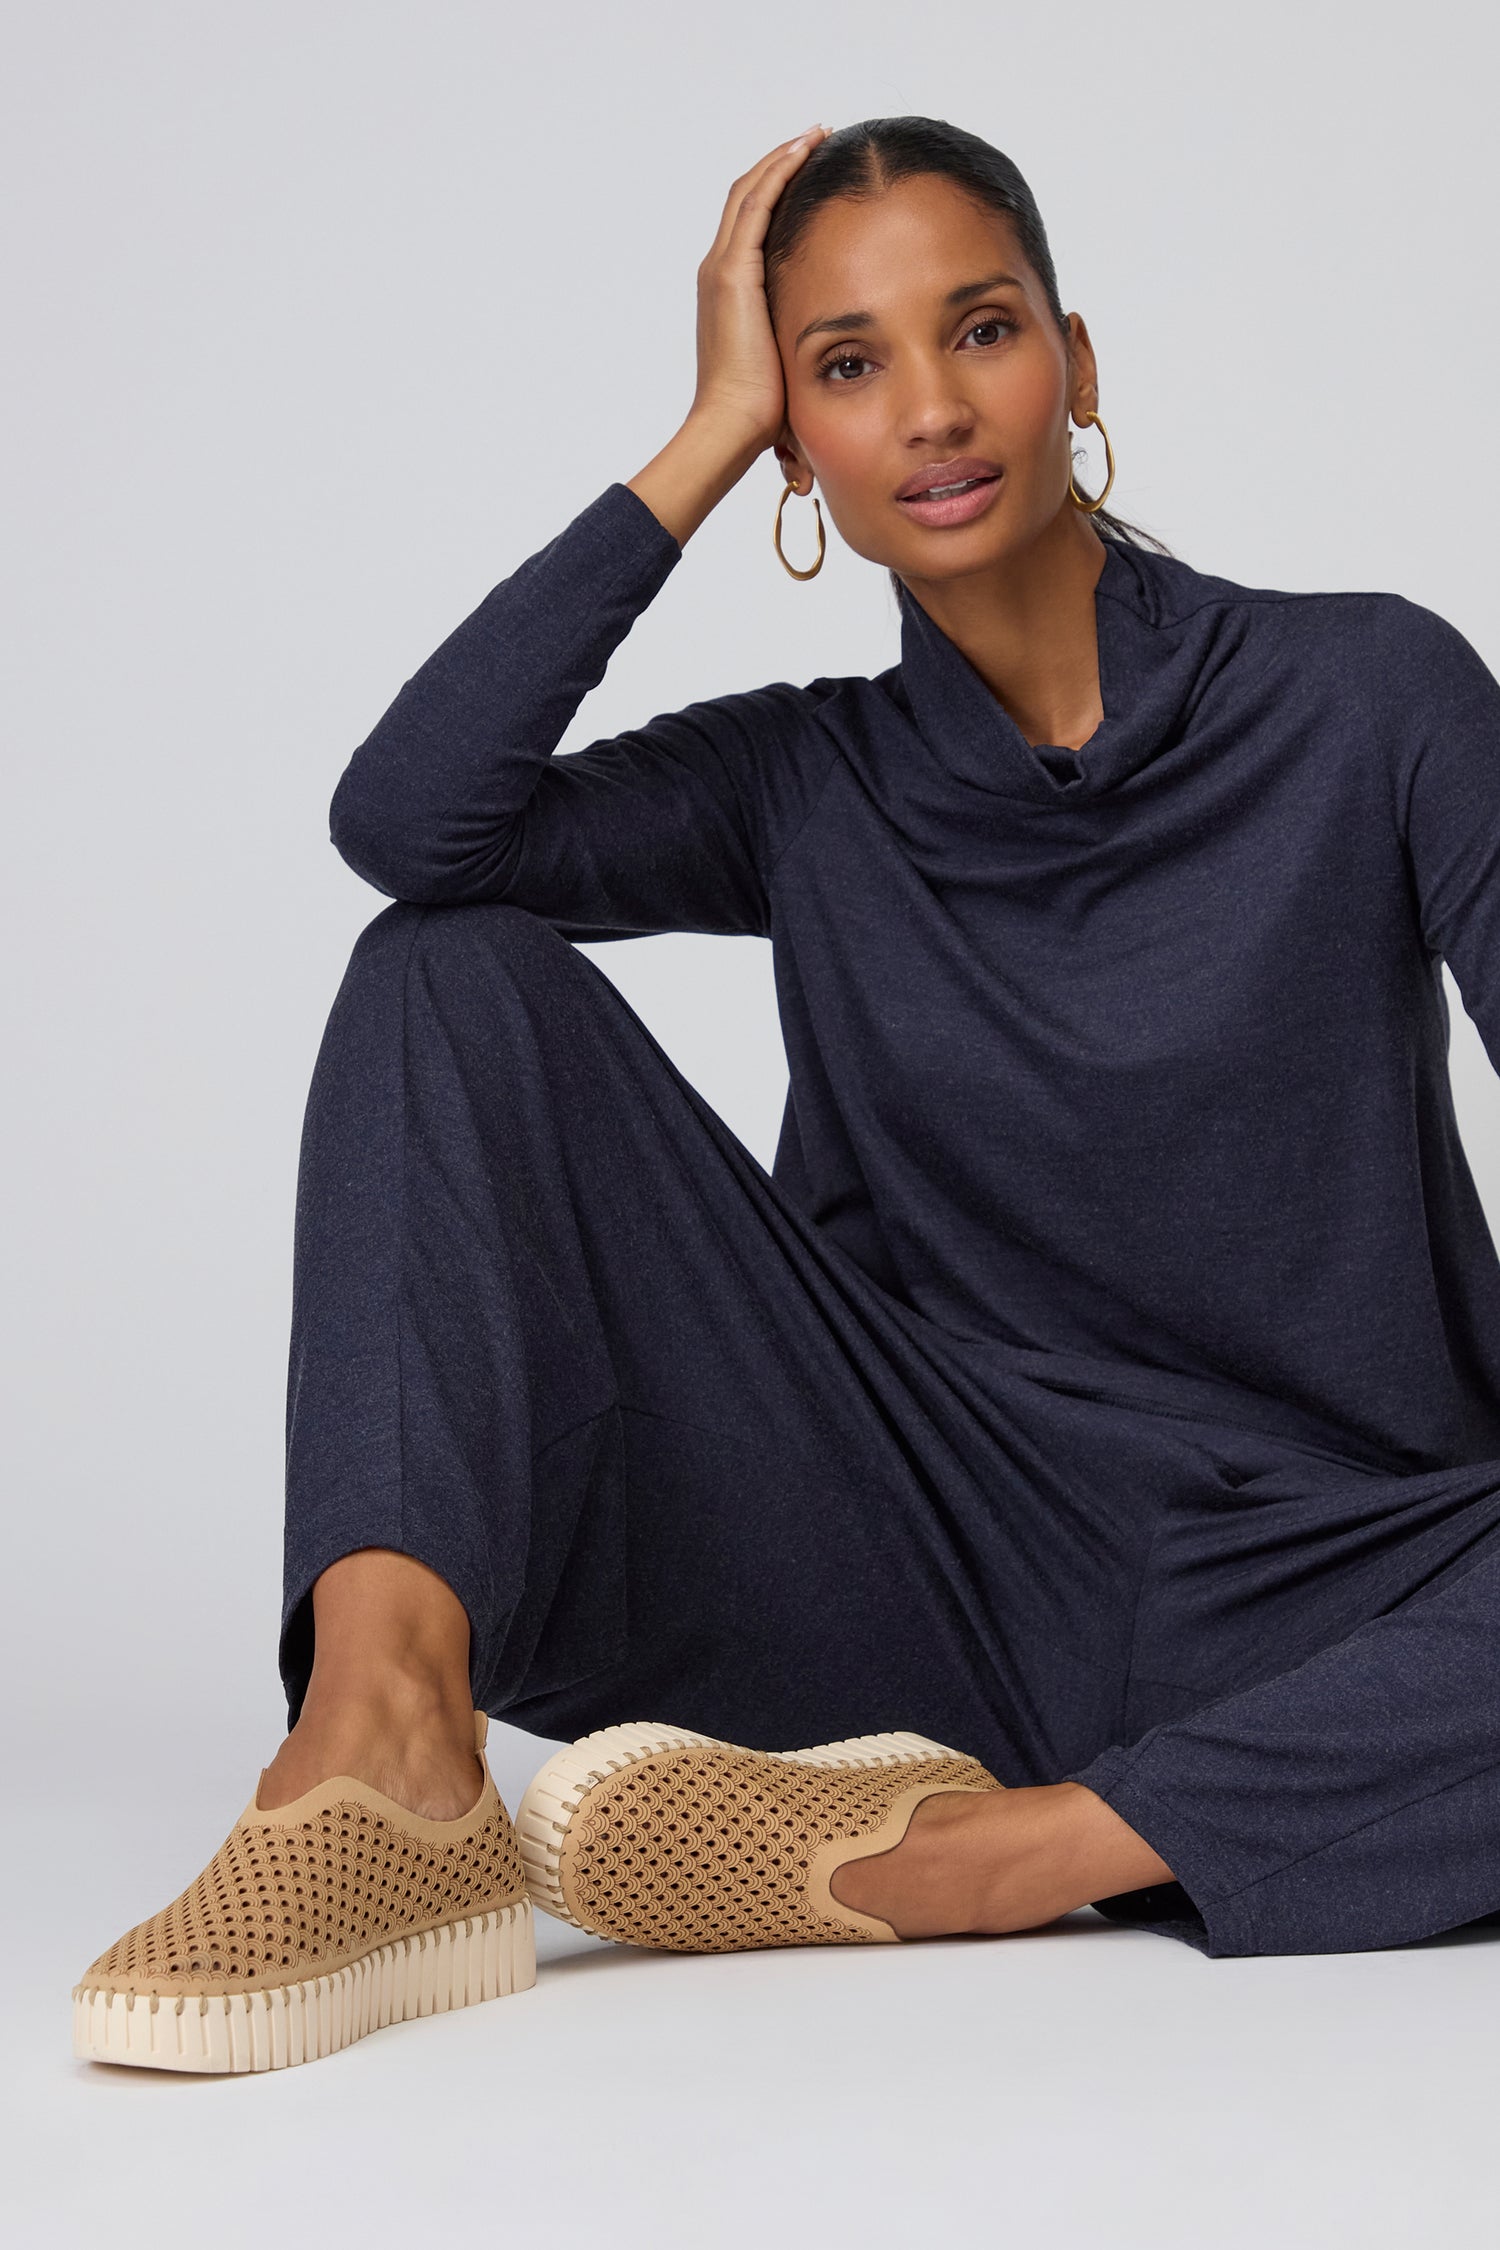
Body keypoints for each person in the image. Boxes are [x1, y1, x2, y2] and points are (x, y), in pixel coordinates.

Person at [73, 115, 1500, 2076]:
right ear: (796, 449)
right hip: (923, 1557)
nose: (929, 406)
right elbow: (415, 826)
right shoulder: (803, 781)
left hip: (1345, 1587)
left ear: (1076, 366)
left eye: (979, 330)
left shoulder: (1376, 701)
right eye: (844, 367)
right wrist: (695, 440)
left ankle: (989, 1858)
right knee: (443, 970)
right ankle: (383, 1755)